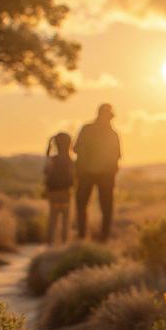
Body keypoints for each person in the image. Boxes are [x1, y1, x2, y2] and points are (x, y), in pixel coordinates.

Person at [74, 103, 121, 240]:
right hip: (100, 175)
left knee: (87, 205)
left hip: (91, 174)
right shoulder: (111, 134)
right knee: (104, 207)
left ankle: (88, 236)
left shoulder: (88, 129)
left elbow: (76, 149)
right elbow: (117, 156)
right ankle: (97, 237)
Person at [43, 131, 74, 246]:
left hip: (53, 193)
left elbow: (46, 172)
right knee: (66, 220)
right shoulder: (69, 160)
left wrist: (49, 146)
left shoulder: (52, 159)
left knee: (52, 219)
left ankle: (50, 243)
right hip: (66, 193)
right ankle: (64, 243)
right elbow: (73, 176)